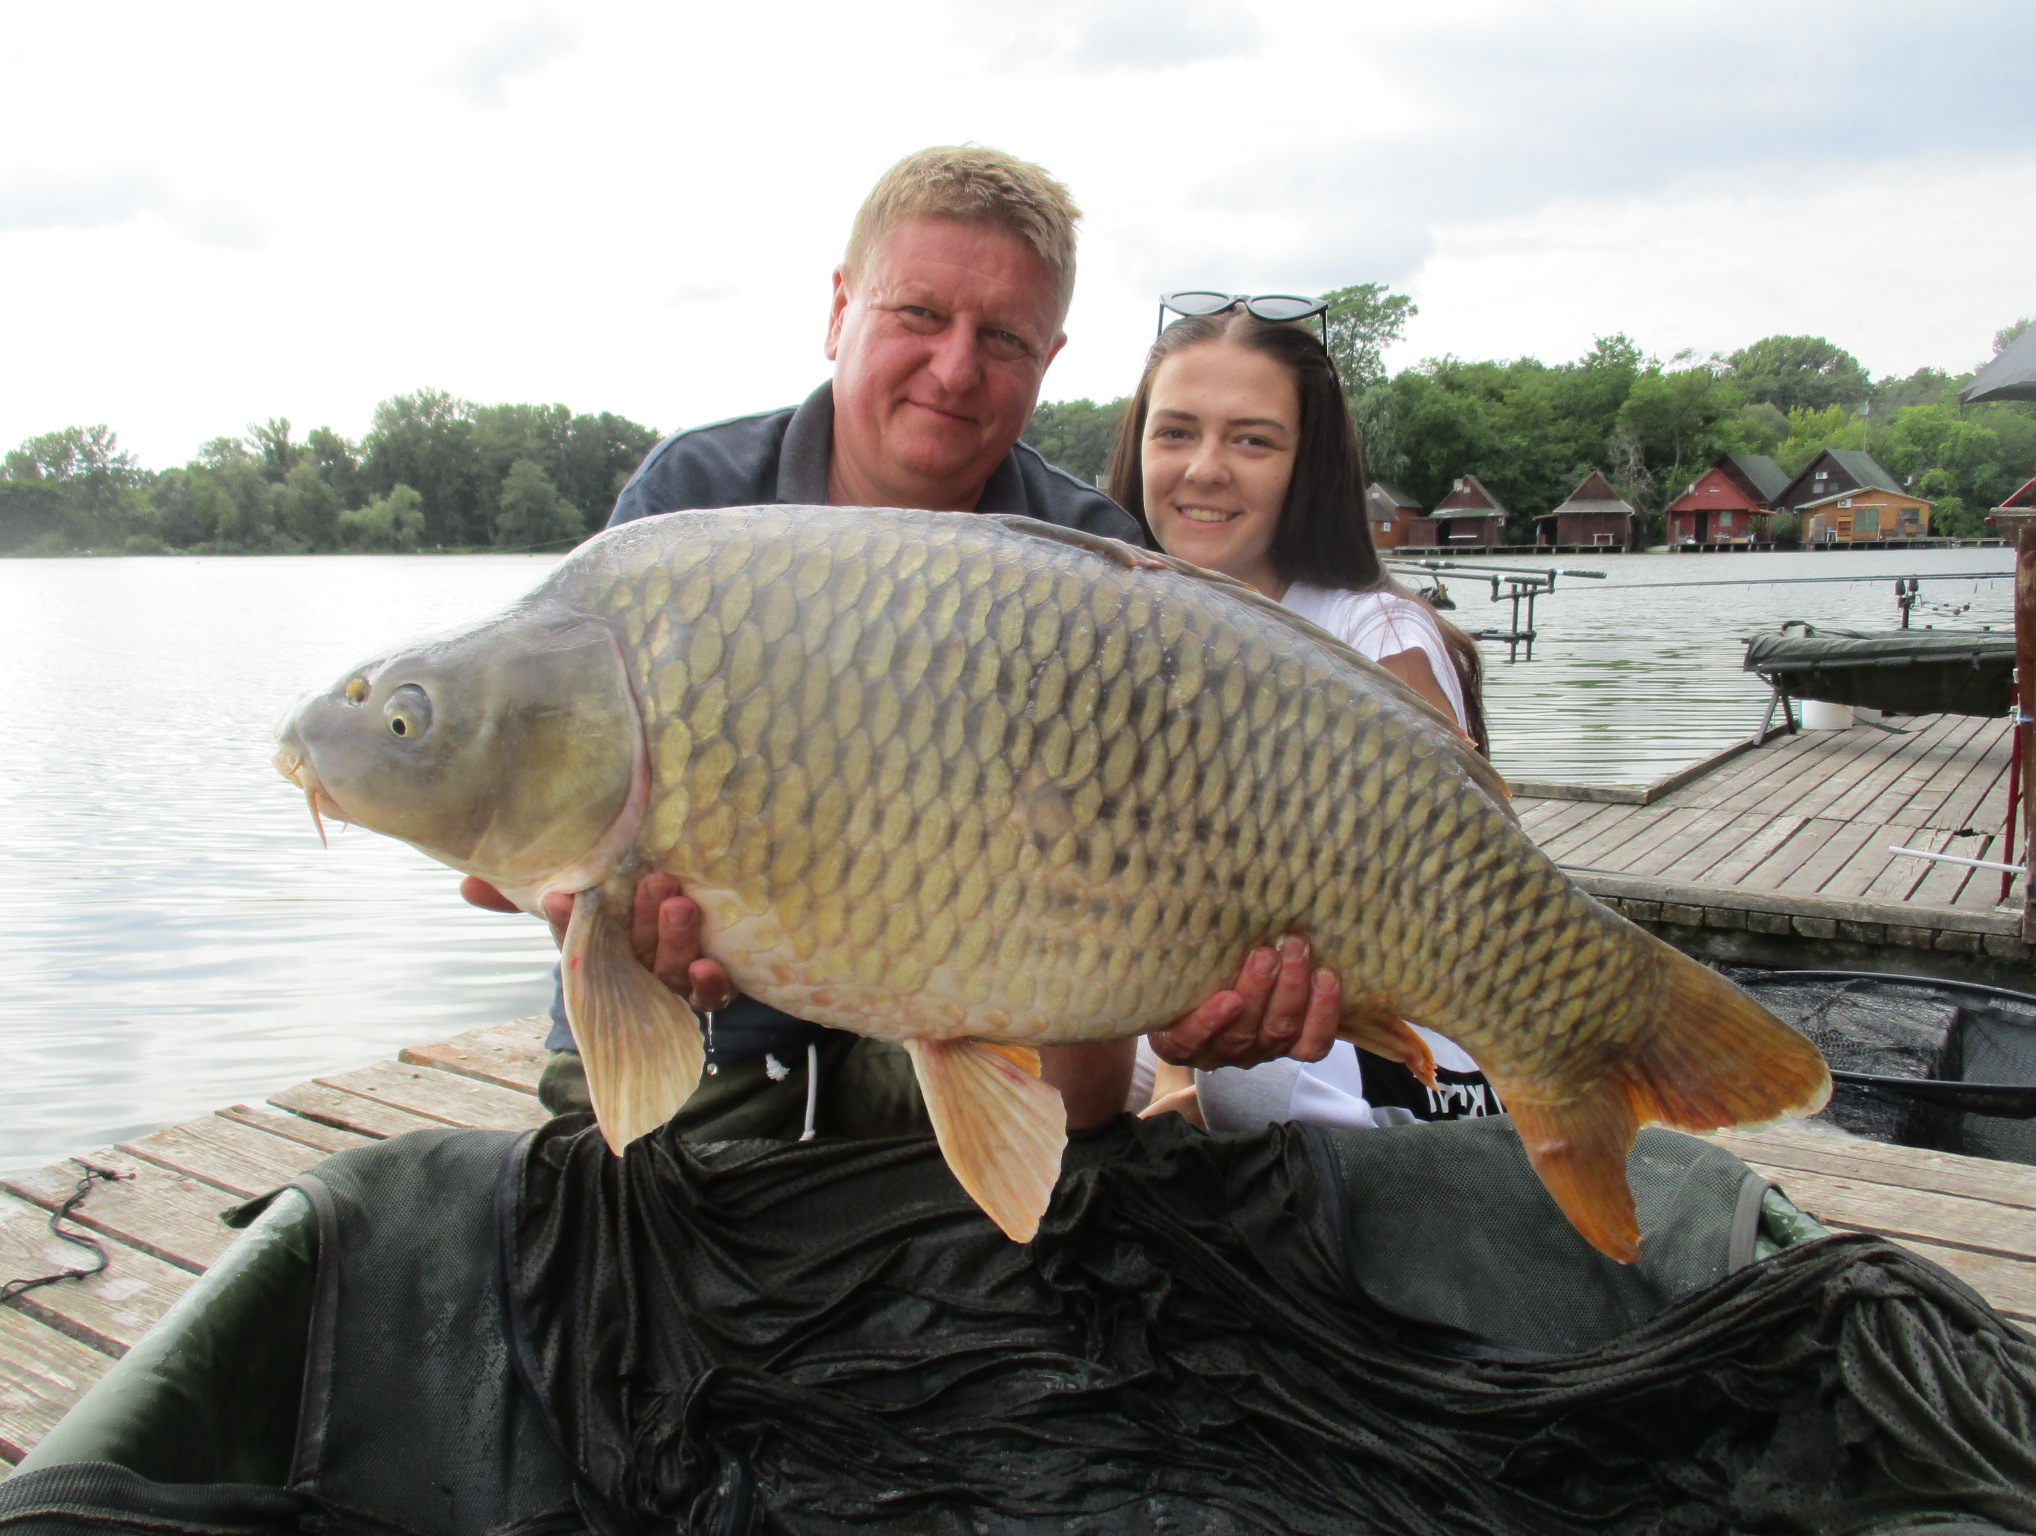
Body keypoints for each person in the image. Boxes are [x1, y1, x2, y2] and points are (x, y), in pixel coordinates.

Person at [463, 149, 1342, 1140]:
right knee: (627, 1181)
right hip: (710, 1027)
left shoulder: (1094, 557)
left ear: (1049, 359)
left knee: (1077, 1118)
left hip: (982, 1001)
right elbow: (537, 845)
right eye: (919, 314)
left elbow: (1171, 871)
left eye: (1002, 337)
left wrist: (1196, 991)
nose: (956, 368)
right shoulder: (689, 508)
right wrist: (588, 903)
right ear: (840, 311)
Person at [1103, 299, 1503, 1132]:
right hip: (1203, 1032)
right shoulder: (1121, 629)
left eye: (1252, 441)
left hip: (1383, 1080)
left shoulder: (1379, 636)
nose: (1204, 469)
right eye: (1176, 433)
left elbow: (1460, 910)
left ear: (1308, 465)